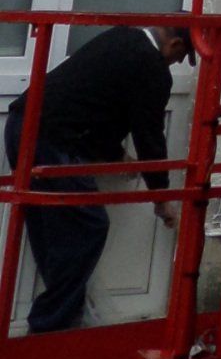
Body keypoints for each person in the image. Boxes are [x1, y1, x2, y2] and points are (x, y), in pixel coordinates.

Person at [3, 21, 195, 333]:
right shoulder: (151, 66)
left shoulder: (121, 36)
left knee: (52, 230)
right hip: (50, 141)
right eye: (182, 57)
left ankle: (65, 317)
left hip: (21, 125)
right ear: (174, 45)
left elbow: (95, 101)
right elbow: (149, 136)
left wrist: (116, 155)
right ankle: (51, 325)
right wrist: (161, 198)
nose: (176, 63)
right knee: (89, 226)